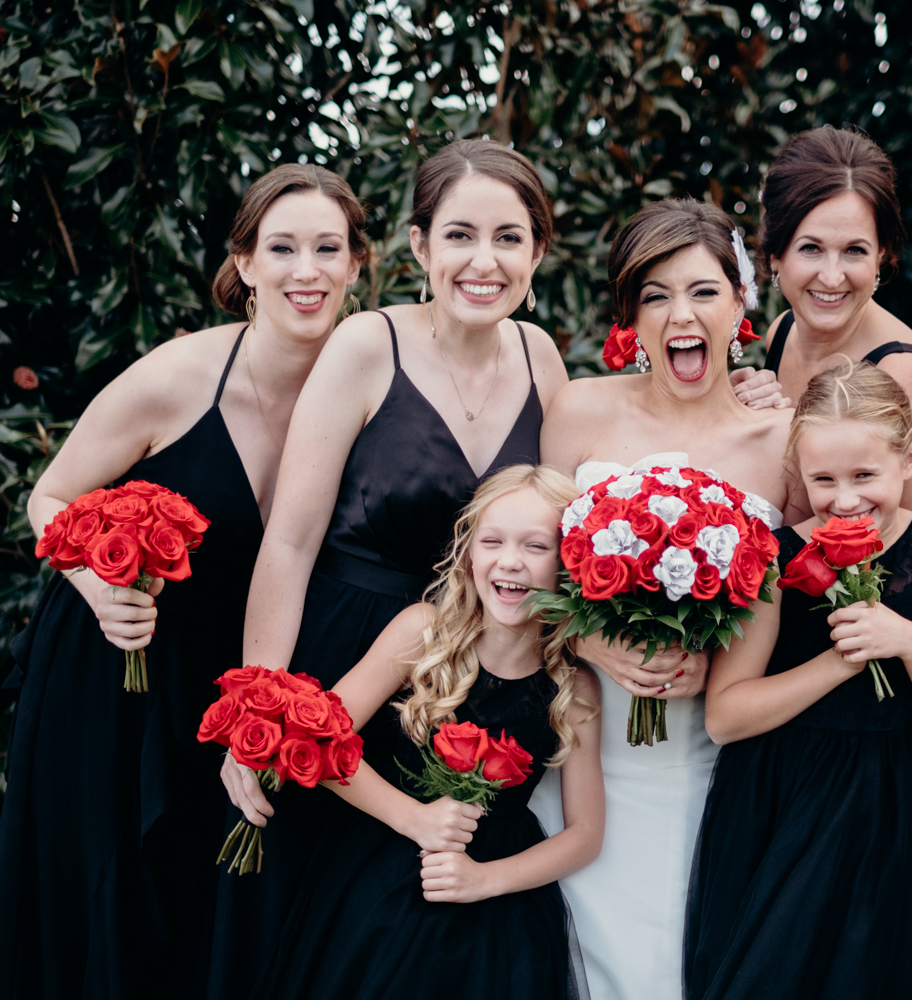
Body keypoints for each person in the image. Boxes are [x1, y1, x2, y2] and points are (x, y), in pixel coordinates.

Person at [210, 138, 568, 999]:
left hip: (468, 680)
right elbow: (290, 542)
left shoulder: (543, 360)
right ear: (419, 247)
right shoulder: (367, 346)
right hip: (342, 653)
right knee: (312, 918)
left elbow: (561, 521)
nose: (484, 262)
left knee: (427, 929)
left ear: (539, 252)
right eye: (460, 236)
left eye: (509, 238)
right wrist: (258, 709)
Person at [0, 165, 366, 999]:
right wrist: (100, 587)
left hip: (235, 690)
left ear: (357, 266)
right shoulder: (177, 377)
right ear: (243, 263)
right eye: (282, 248)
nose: (305, 271)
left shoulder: (366, 384)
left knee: (208, 922)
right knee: (108, 908)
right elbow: (49, 494)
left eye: (327, 249)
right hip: (116, 677)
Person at [534, 198, 802, 1000]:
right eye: (654, 296)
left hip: (700, 749)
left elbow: (792, 608)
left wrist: (713, 657)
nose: (680, 314)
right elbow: (528, 578)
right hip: (584, 742)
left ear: (740, 305)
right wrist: (591, 642)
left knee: (670, 959)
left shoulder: (784, 439)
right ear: (630, 317)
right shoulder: (579, 408)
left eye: (703, 292)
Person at [686, 362, 912, 1000]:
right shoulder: (771, 554)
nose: (845, 500)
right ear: (797, 469)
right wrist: (838, 661)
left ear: (909, 459)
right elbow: (726, 716)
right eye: (823, 480)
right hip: (789, 801)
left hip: (904, 805)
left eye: (865, 476)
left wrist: (909, 643)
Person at [253, 465, 604, 999]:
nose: (510, 561)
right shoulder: (422, 632)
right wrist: (414, 818)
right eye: (492, 540)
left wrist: (486, 881)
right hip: (383, 873)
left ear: (568, 564)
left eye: (536, 546)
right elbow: (312, 740)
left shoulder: (572, 687)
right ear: (470, 552)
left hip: (496, 905)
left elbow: (585, 835)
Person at [745, 125, 912, 513]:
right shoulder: (782, 332)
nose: (831, 276)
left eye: (854, 251)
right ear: (776, 253)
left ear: (881, 256)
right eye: (811, 248)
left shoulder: (907, 376)